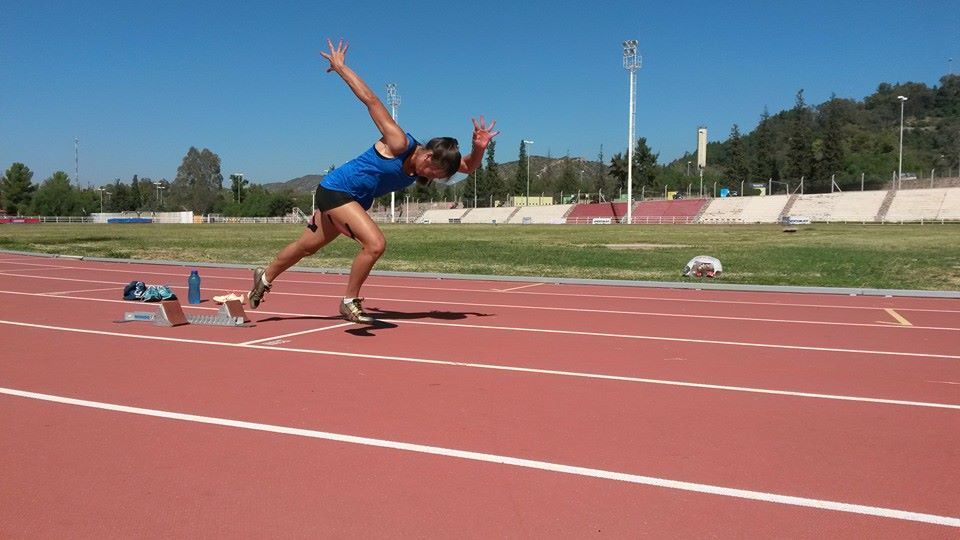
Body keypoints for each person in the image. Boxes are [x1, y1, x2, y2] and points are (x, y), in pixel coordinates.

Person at [248, 39, 499, 324]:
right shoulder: (398, 141)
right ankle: (349, 301)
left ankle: (264, 276)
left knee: (307, 247)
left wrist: (479, 147)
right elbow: (371, 100)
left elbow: (467, 166)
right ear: (428, 155)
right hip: (336, 190)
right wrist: (341, 68)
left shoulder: (428, 164)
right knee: (375, 244)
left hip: (350, 200)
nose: (429, 178)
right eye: (432, 172)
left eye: (437, 178)